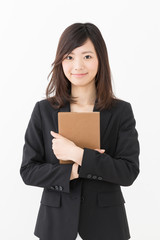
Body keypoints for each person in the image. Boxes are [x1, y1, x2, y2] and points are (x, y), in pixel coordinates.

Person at [20, 22, 140, 240]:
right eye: (69, 57)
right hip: (55, 225)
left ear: (100, 59)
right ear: (61, 61)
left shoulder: (121, 111)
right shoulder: (44, 110)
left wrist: (79, 154)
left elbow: (128, 172)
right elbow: (28, 171)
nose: (78, 65)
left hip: (107, 225)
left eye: (87, 56)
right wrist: (72, 172)